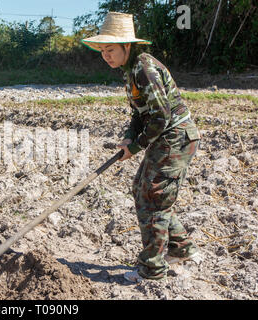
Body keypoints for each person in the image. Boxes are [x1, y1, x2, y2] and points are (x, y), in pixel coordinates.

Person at [82, 12, 202, 283]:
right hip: (165, 138)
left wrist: (135, 148)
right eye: (102, 51)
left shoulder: (143, 68)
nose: (105, 56)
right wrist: (128, 139)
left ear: (127, 46)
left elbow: (162, 115)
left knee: (152, 197)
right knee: (143, 190)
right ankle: (181, 248)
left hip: (176, 137)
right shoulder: (131, 70)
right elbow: (139, 115)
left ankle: (152, 270)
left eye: (110, 49)